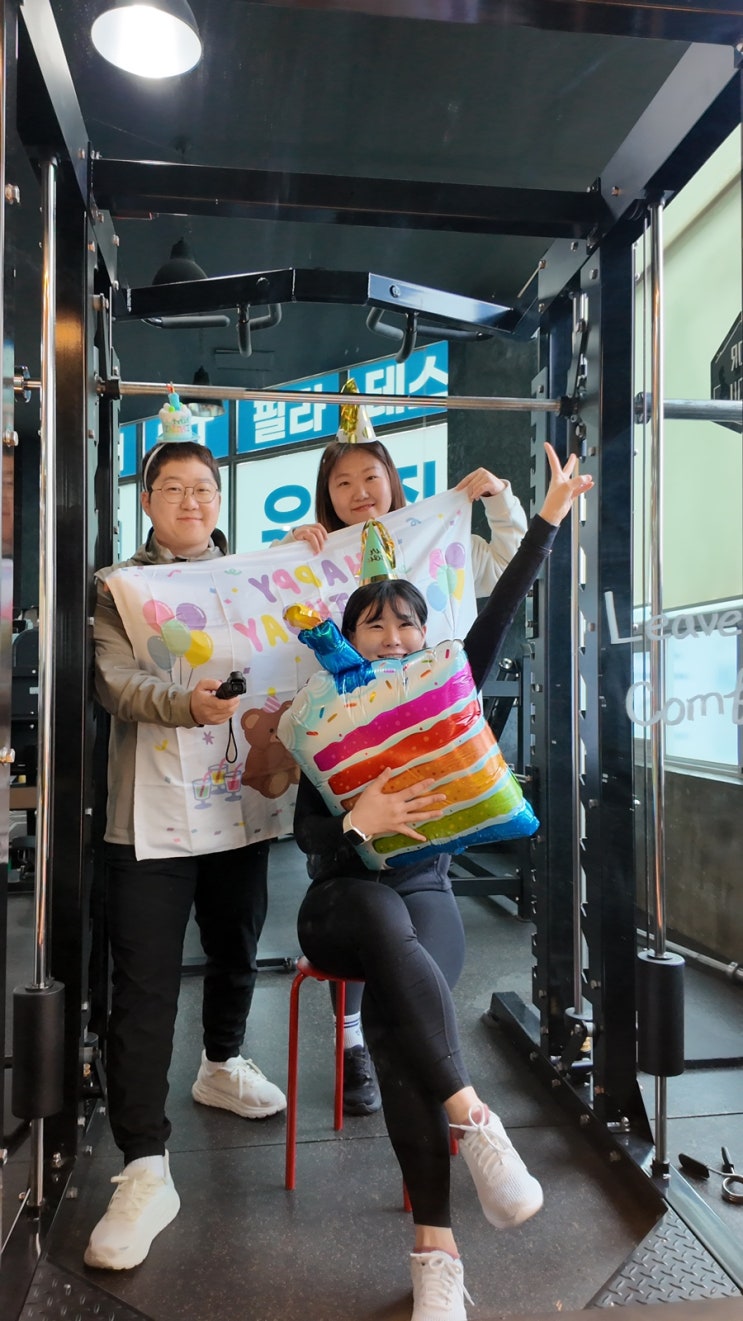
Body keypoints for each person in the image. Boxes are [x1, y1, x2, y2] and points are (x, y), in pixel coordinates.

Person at [291, 442, 593, 1320]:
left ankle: (437, 1253)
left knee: (396, 1025)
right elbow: (309, 841)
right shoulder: (321, 715)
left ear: (425, 635)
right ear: (348, 637)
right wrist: (360, 819)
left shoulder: (447, 687)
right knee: (378, 923)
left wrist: (544, 518)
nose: (392, 638)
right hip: (337, 898)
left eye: (405, 624)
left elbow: (500, 609)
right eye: (373, 625)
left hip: (424, 893)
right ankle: (474, 1117)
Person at [283, 398, 528, 1116]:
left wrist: (505, 502)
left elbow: (506, 581)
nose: (359, 492)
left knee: (417, 952)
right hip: (347, 821)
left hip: (427, 816)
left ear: (392, 480)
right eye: (342, 482)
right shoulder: (315, 561)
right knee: (369, 907)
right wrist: (297, 553)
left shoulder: (437, 546)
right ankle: (360, 1044)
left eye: (371, 477)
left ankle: (431, 1087)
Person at [87, 438, 287, 1272]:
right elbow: (114, 681)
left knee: (237, 943)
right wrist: (186, 702)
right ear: (147, 500)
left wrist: (316, 554)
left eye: (204, 487)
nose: (192, 501)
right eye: (173, 487)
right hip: (151, 815)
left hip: (239, 804)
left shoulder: (252, 577)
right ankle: (144, 1163)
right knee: (144, 982)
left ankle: (221, 1062)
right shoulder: (117, 588)